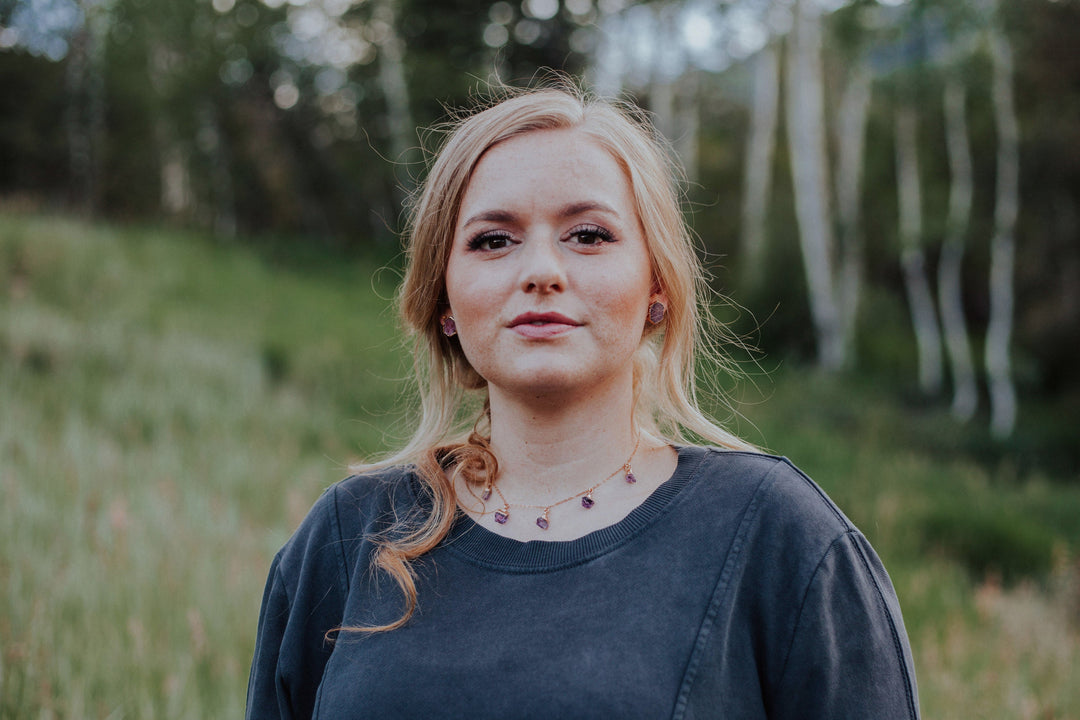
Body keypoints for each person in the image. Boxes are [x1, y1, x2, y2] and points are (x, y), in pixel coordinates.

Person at [246, 83, 920, 719]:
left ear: (656, 285)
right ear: (444, 298)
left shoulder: (777, 535)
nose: (541, 270)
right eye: (493, 240)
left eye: (589, 235)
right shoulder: (347, 538)